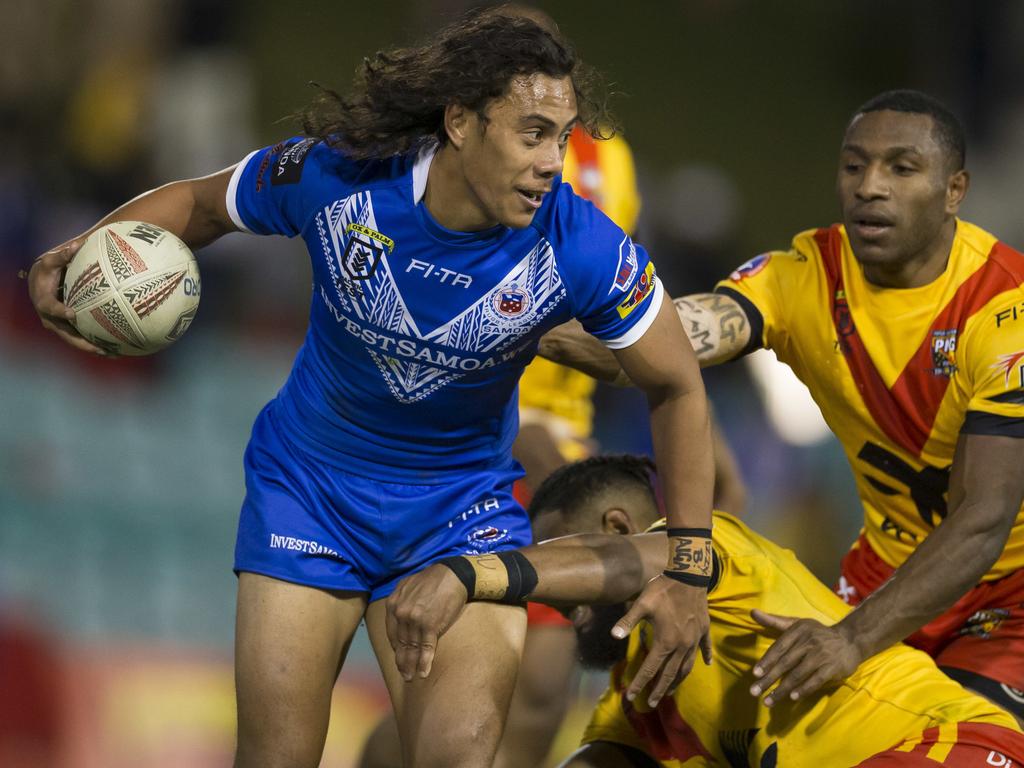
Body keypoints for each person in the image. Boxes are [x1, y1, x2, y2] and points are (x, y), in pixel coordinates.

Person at [27, 10, 716, 767]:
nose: (554, 161)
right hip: (309, 493)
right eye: (531, 133)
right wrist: (89, 254)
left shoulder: (580, 242)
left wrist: (688, 564)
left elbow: (677, 386)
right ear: (460, 120)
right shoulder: (338, 177)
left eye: (563, 135)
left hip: (458, 513)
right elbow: (201, 204)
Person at [538, 89, 1024, 721]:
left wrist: (851, 638)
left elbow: (984, 519)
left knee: (955, 746)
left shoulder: (1004, 311)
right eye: (854, 166)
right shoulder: (804, 276)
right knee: (746, 720)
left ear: (954, 189)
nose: (870, 187)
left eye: (901, 169)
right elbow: (656, 340)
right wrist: (512, 318)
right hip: (883, 575)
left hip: (1010, 599)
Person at [387, 454, 1024, 767]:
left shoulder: (713, 549)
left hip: (947, 747)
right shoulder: (640, 693)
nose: (555, 598)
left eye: (560, 553)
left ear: (619, 526)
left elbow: (644, 562)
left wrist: (475, 573)